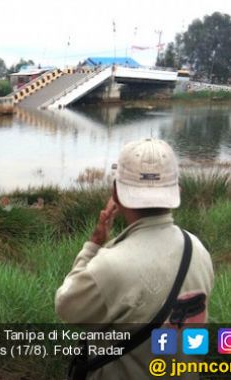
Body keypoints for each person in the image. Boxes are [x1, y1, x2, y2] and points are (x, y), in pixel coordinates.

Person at [55, 138, 213, 379]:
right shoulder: (198, 248)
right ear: (176, 192)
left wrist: (93, 244)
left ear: (115, 194)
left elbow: (66, 306)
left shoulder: (109, 264)